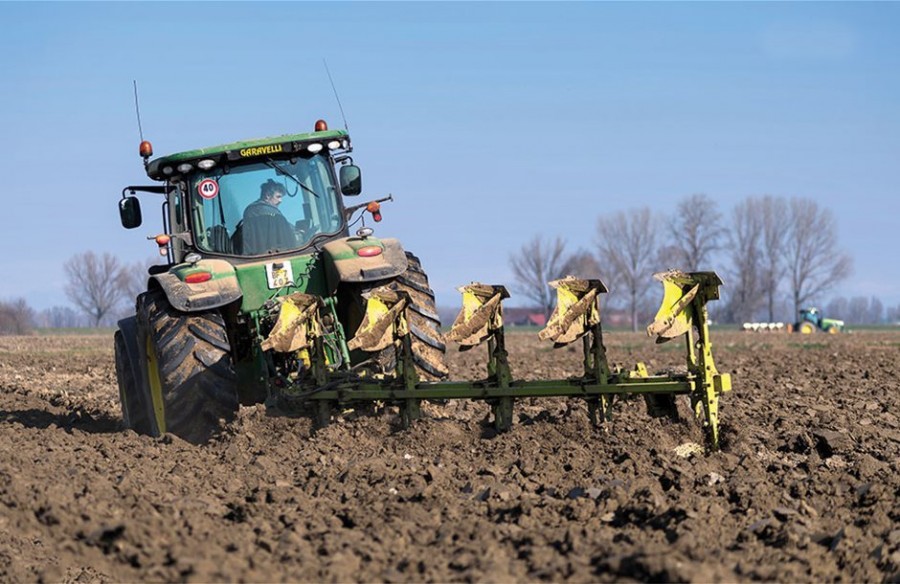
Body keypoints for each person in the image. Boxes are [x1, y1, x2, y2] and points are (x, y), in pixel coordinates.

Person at [240, 179, 297, 254]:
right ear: (268, 196)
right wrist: (298, 232)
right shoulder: (272, 214)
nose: (281, 200)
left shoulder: (249, 210)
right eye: (278, 196)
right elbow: (287, 232)